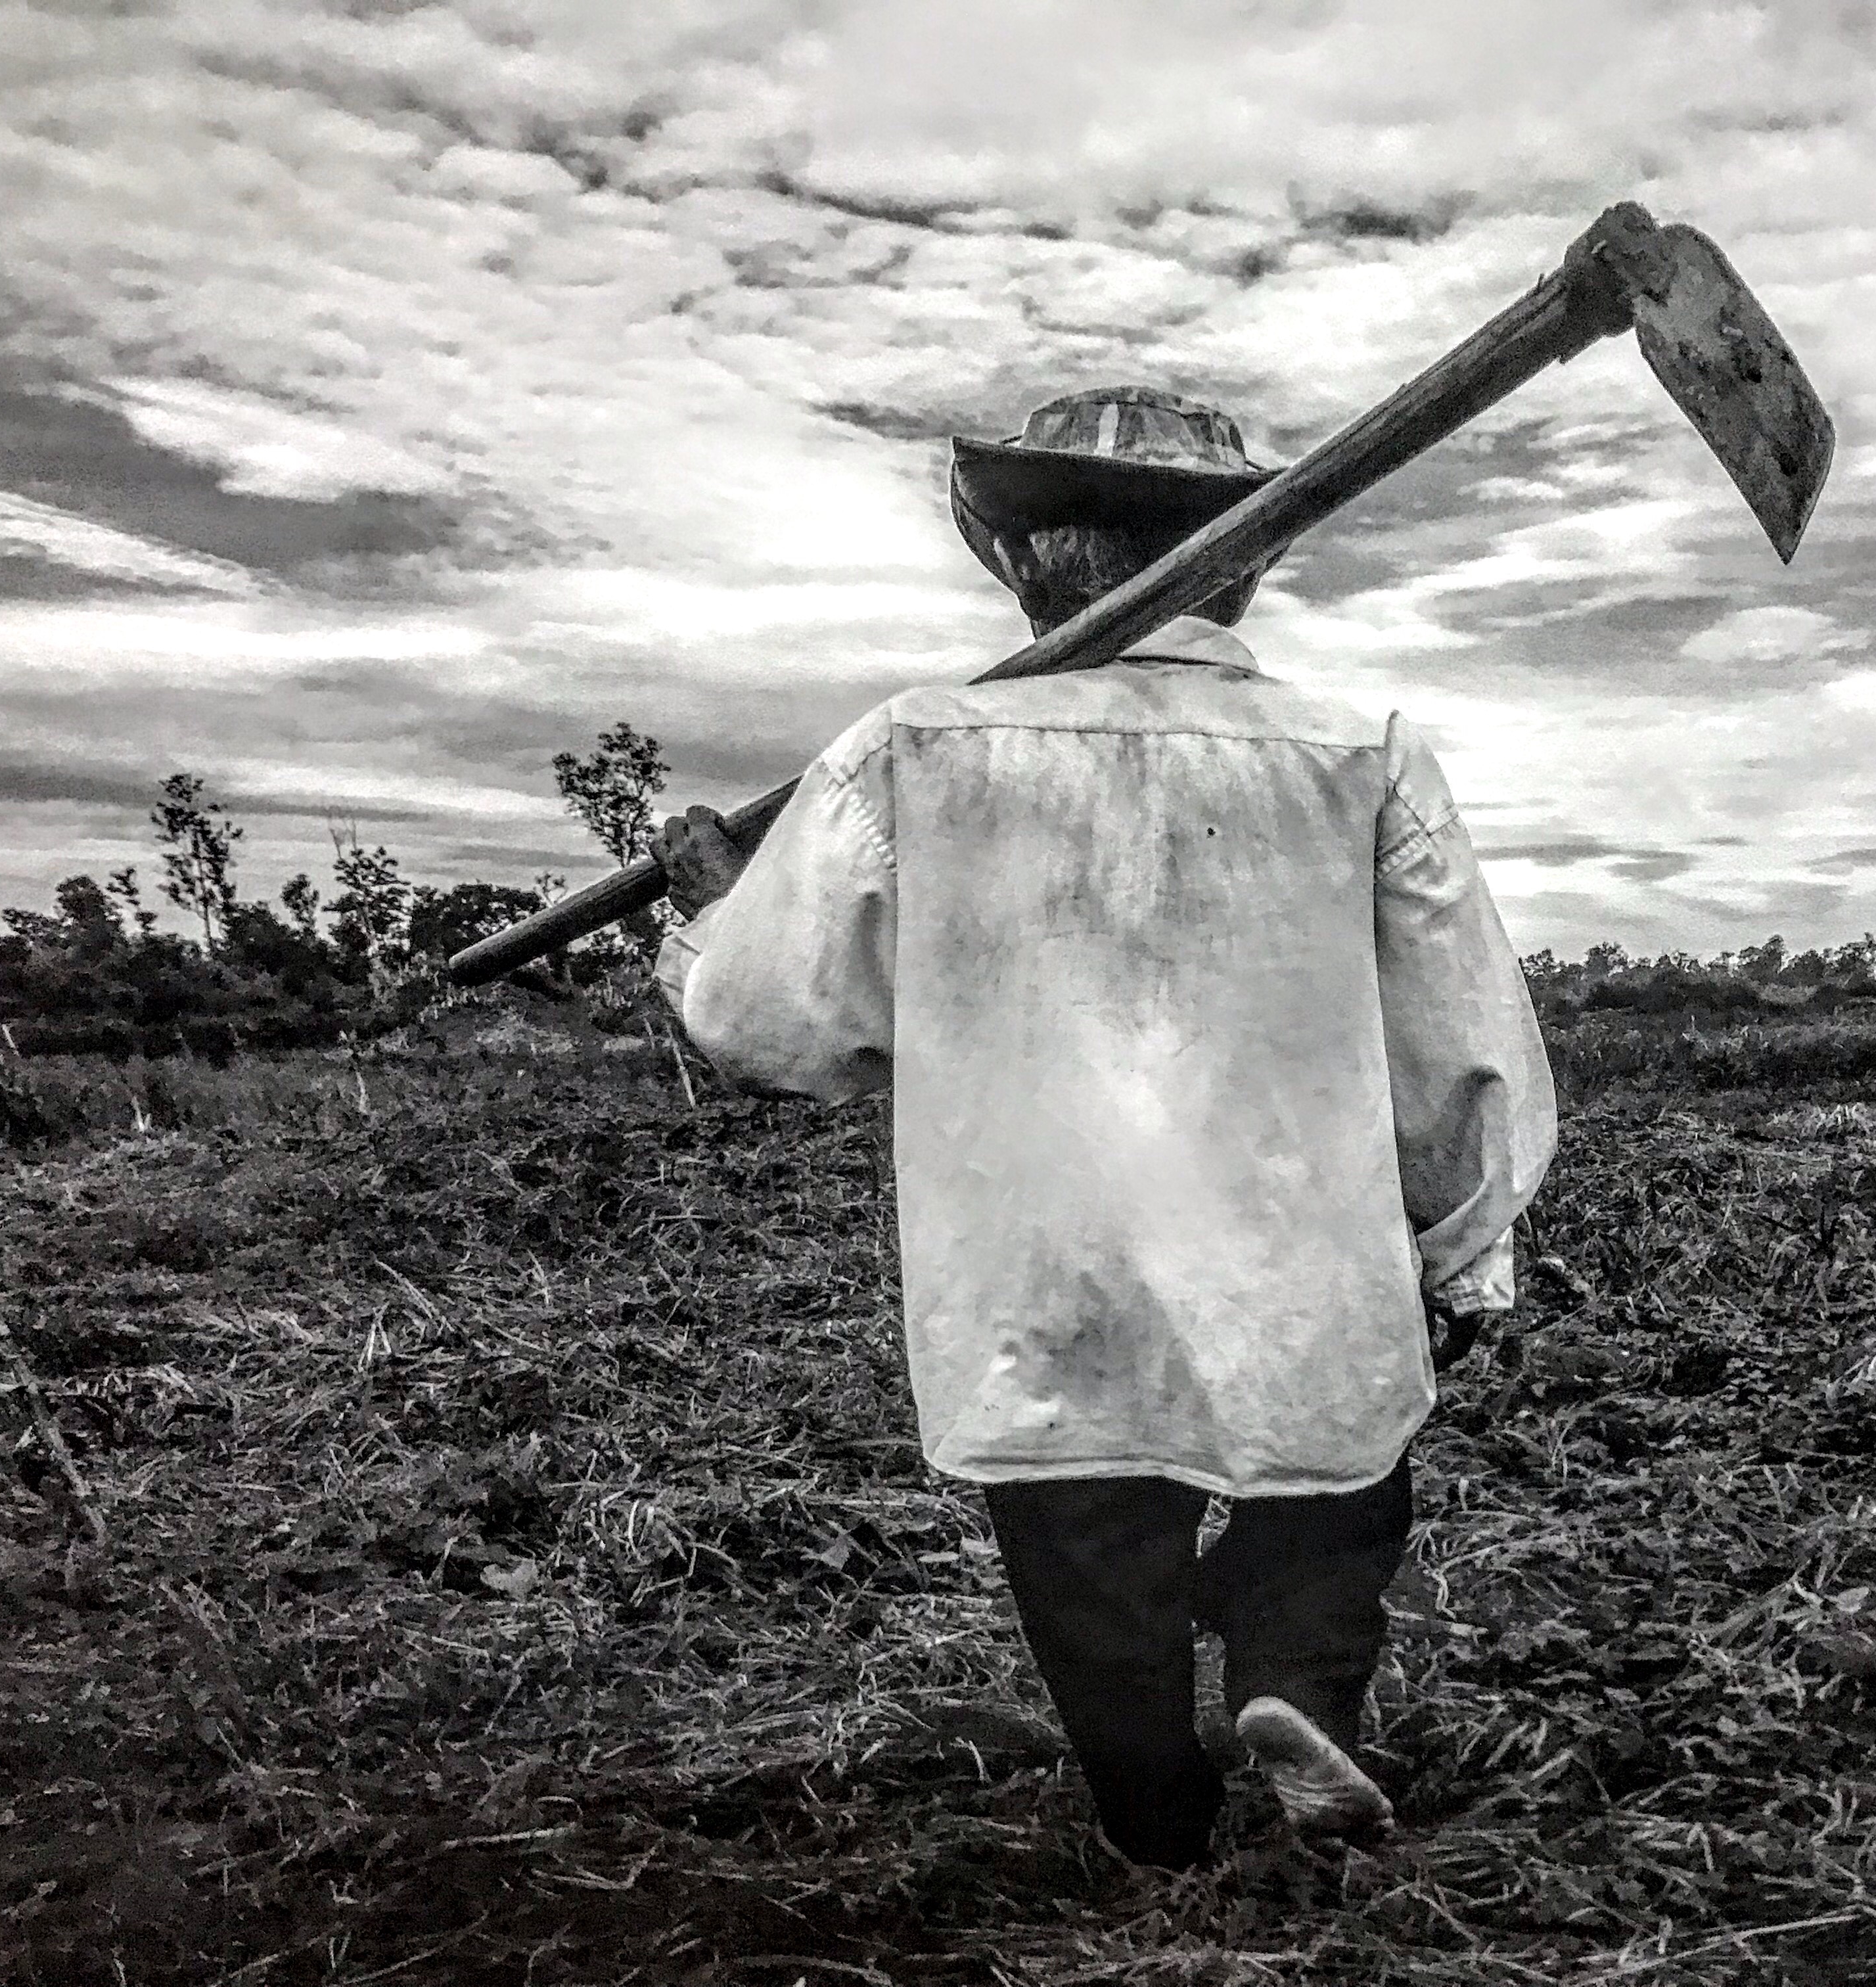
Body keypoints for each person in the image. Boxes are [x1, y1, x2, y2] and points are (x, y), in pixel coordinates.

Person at [652, 384, 1556, 1871]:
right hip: (1298, 1245)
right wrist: (1463, 1258)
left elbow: (767, 1021)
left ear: (1020, 563)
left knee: (1086, 1556)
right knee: (1335, 1486)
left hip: (1040, 1257)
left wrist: (708, 915)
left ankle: (1155, 1826)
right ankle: (1289, 1683)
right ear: (1251, 562)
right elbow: (1461, 1047)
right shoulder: (1358, 753)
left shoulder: (909, 752)